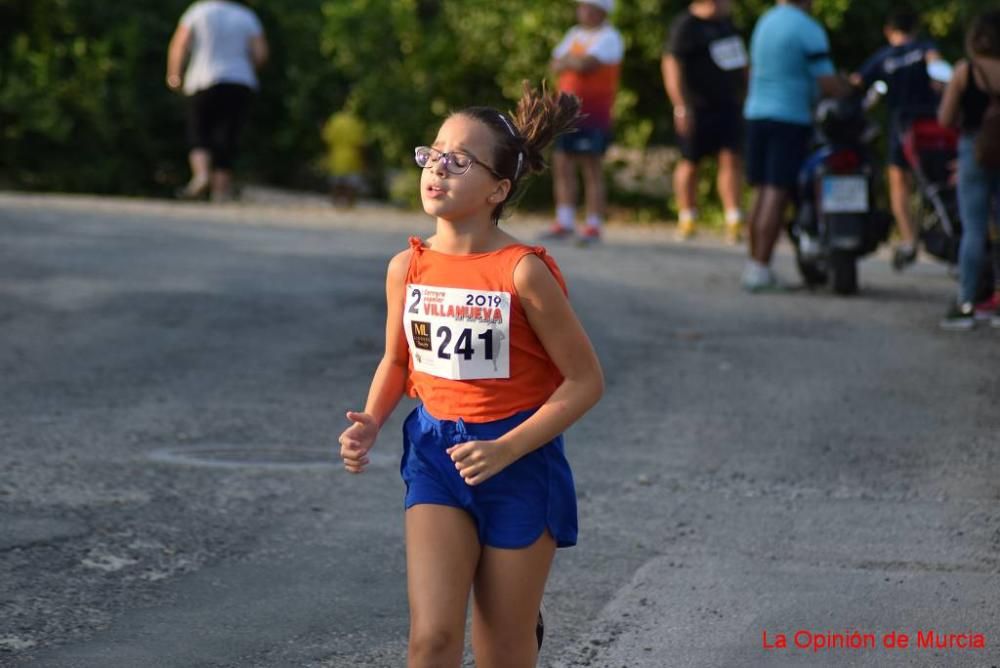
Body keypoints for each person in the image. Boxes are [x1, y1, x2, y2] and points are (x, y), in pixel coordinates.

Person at [337, 83, 604, 667]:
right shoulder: (406, 267)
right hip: (436, 454)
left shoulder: (524, 273)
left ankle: (517, 621)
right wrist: (371, 422)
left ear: (498, 190)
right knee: (431, 638)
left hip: (520, 461)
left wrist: (506, 448)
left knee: (501, 648)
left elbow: (585, 381)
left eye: (459, 161)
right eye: (432, 155)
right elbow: (398, 360)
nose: (438, 169)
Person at [741, 0, 851, 291]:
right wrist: (848, 88)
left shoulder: (765, 21)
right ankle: (761, 270)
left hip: (755, 112)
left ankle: (754, 265)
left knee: (761, 191)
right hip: (788, 117)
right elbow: (827, 83)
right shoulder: (808, 28)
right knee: (777, 192)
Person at [852, 11, 942, 271]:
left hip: (901, 127)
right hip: (931, 125)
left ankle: (908, 238)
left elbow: (856, 83)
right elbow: (940, 76)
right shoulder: (926, 49)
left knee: (899, 183)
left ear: (888, 30)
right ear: (915, 28)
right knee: (934, 179)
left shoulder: (884, 57)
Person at [662, 0, 748, 243]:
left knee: (731, 158)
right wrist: (681, 106)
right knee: (690, 161)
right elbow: (671, 65)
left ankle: (733, 218)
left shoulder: (726, 24)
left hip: (728, 105)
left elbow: (741, 63)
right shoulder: (685, 25)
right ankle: (687, 217)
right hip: (696, 108)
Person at [166, 0, 268, 202]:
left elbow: (180, 44)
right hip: (239, 81)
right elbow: (260, 53)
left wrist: (174, 74)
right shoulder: (246, 16)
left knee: (199, 129)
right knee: (228, 133)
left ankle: (201, 175)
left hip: (203, 77)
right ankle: (221, 191)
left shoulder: (198, 11)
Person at [937, 10, 1000, 330]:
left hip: (974, 149)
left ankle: (967, 301)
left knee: (974, 228)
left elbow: (945, 119)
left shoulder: (966, 71)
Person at [543, 0, 624, 245]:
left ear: (601, 10)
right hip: (566, 112)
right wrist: (571, 61)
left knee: (591, 167)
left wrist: (569, 60)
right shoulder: (574, 33)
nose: (581, 10)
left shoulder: (610, 37)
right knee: (562, 163)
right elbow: (555, 63)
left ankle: (593, 224)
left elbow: (587, 64)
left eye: (587, 6)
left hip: (593, 113)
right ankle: (564, 220)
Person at [322, 109, 368, 208]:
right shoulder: (356, 121)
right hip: (353, 157)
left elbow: (327, 139)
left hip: (336, 155)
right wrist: (364, 160)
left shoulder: (335, 120)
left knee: (336, 183)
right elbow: (360, 143)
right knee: (351, 184)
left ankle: (335, 203)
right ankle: (349, 204)